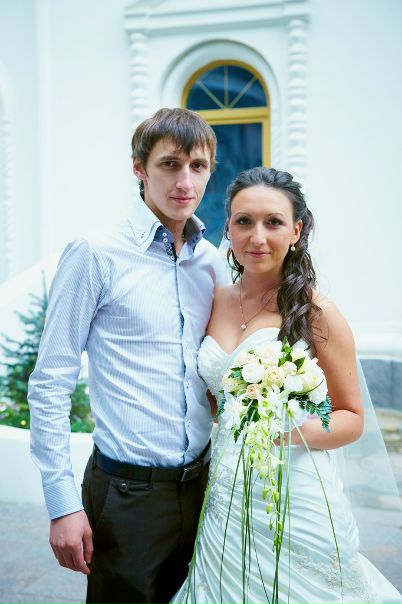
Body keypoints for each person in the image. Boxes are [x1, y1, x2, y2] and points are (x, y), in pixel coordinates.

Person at [171, 167, 402, 604]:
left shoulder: (317, 312)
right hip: (225, 493)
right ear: (229, 228)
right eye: (244, 221)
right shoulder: (215, 300)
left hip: (295, 494)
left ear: (296, 231)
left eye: (273, 222)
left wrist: (286, 431)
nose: (257, 237)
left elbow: (351, 418)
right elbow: (217, 396)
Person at [28, 107, 229, 604]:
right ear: (139, 167)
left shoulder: (211, 262)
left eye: (198, 166)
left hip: (203, 489)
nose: (185, 182)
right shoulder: (95, 253)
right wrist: (62, 504)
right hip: (126, 497)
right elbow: (50, 381)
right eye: (170, 164)